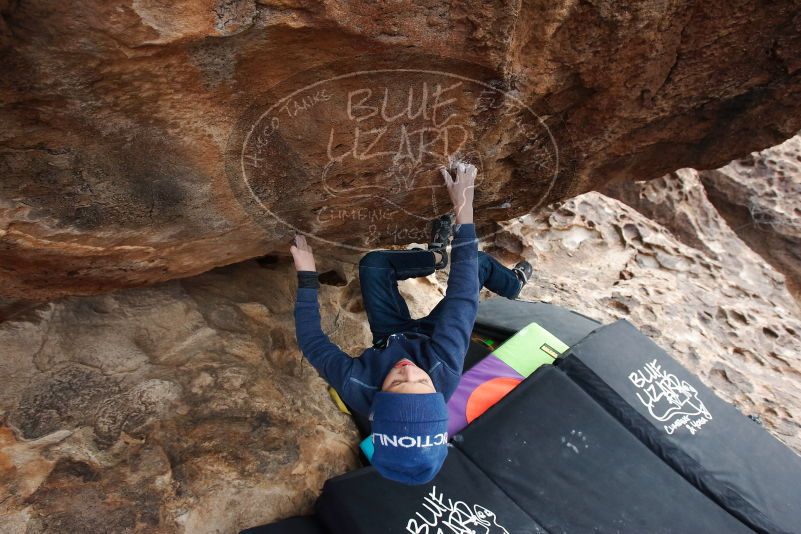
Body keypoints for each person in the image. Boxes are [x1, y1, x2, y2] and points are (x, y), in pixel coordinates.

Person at [290, 162, 533, 485]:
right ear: (436, 395)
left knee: (374, 265)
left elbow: (312, 342)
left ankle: (434, 258)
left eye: (395, 383)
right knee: (479, 266)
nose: (407, 370)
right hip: (432, 338)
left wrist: (307, 277)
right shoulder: (443, 368)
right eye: (421, 384)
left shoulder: (357, 385)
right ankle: (511, 285)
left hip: (390, 337)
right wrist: (464, 207)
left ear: (377, 400)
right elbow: (462, 298)